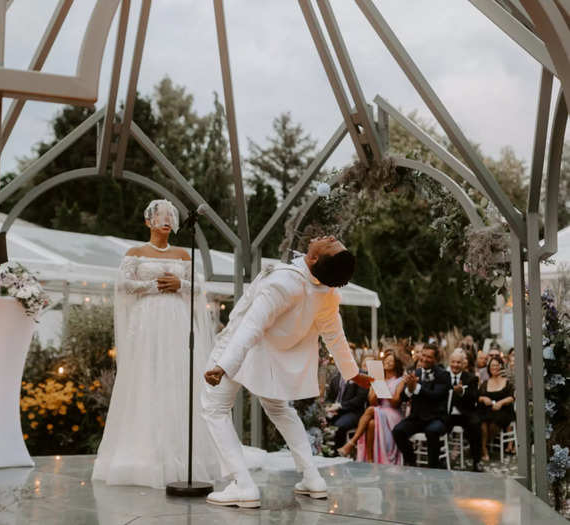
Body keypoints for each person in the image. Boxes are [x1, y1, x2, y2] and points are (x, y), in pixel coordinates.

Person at [201, 235, 371, 508]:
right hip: (270, 360)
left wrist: (224, 365)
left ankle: (242, 485)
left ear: (314, 258)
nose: (331, 237)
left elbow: (251, 326)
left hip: (239, 350)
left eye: (332, 243)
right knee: (280, 410)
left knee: (214, 409)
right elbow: (335, 335)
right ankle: (313, 478)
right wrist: (351, 372)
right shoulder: (326, 292)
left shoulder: (283, 283)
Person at [92, 200, 220, 488]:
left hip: (176, 322)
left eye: (169, 216)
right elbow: (123, 285)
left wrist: (180, 285)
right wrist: (153, 286)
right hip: (147, 323)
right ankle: (144, 454)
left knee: (177, 379)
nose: (165, 219)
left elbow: (200, 289)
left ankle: (182, 454)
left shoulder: (183, 255)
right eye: (159, 216)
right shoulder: (135, 253)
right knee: (146, 380)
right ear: (148, 222)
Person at [337, 349, 406, 464]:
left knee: (369, 410)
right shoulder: (378, 378)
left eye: (391, 361)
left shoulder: (400, 380)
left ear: (396, 365)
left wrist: (384, 391)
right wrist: (375, 387)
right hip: (379, 410)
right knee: (371, 424)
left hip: (393, 413)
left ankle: (352, 442)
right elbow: (373, 402)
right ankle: (369, 459)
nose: (387, 363)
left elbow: (395, 402)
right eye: (386, 361)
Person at [392, 344, 450, 468]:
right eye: (423, 355)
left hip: (436, 417)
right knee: (398, 431)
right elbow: (403, 398)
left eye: (429, 357)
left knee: (431, 431)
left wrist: (416, 387)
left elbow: (436, 395)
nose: (424, 359)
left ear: (435, 359)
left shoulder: (443, 375)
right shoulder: (416, 372)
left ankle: (433, 467)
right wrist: (409, 389)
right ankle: (411, 461)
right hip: (417, 417)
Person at [446, 348, 482, 472]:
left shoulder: (471, 378)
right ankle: (441, 458)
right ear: (449, 362)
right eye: (453, 362)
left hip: (466, 412)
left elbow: (474, 398)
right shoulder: (443, 376)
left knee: (476, 424)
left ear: (463, 364)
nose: (455, 365)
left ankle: (477, 461)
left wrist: (462, 392)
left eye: (458, 363)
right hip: (448, 413)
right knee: (437, 423)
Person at [478, 356, 515, 462]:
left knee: (494, 423)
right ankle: (484, 449)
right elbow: (478, 396)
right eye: (492, 365)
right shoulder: (485, 382)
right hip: (487, 410)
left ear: (501, 366)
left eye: (497, 365)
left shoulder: (507, 381)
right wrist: (483, 398)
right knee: (482, 423)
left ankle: (482, 444)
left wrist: (501, 403)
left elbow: (512, 397)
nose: (494, 367)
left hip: (503, 411)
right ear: (489, 368)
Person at [324, 366, 368, 450]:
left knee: (339, 426)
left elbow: (360, 399)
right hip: (334, 411)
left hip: (353, 412)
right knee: (318, 421)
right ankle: (323, 450)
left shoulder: (362, 375)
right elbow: (329, 398)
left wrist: (340, 406)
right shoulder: (335, 378)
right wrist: (329, 407)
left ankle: (336, 452)